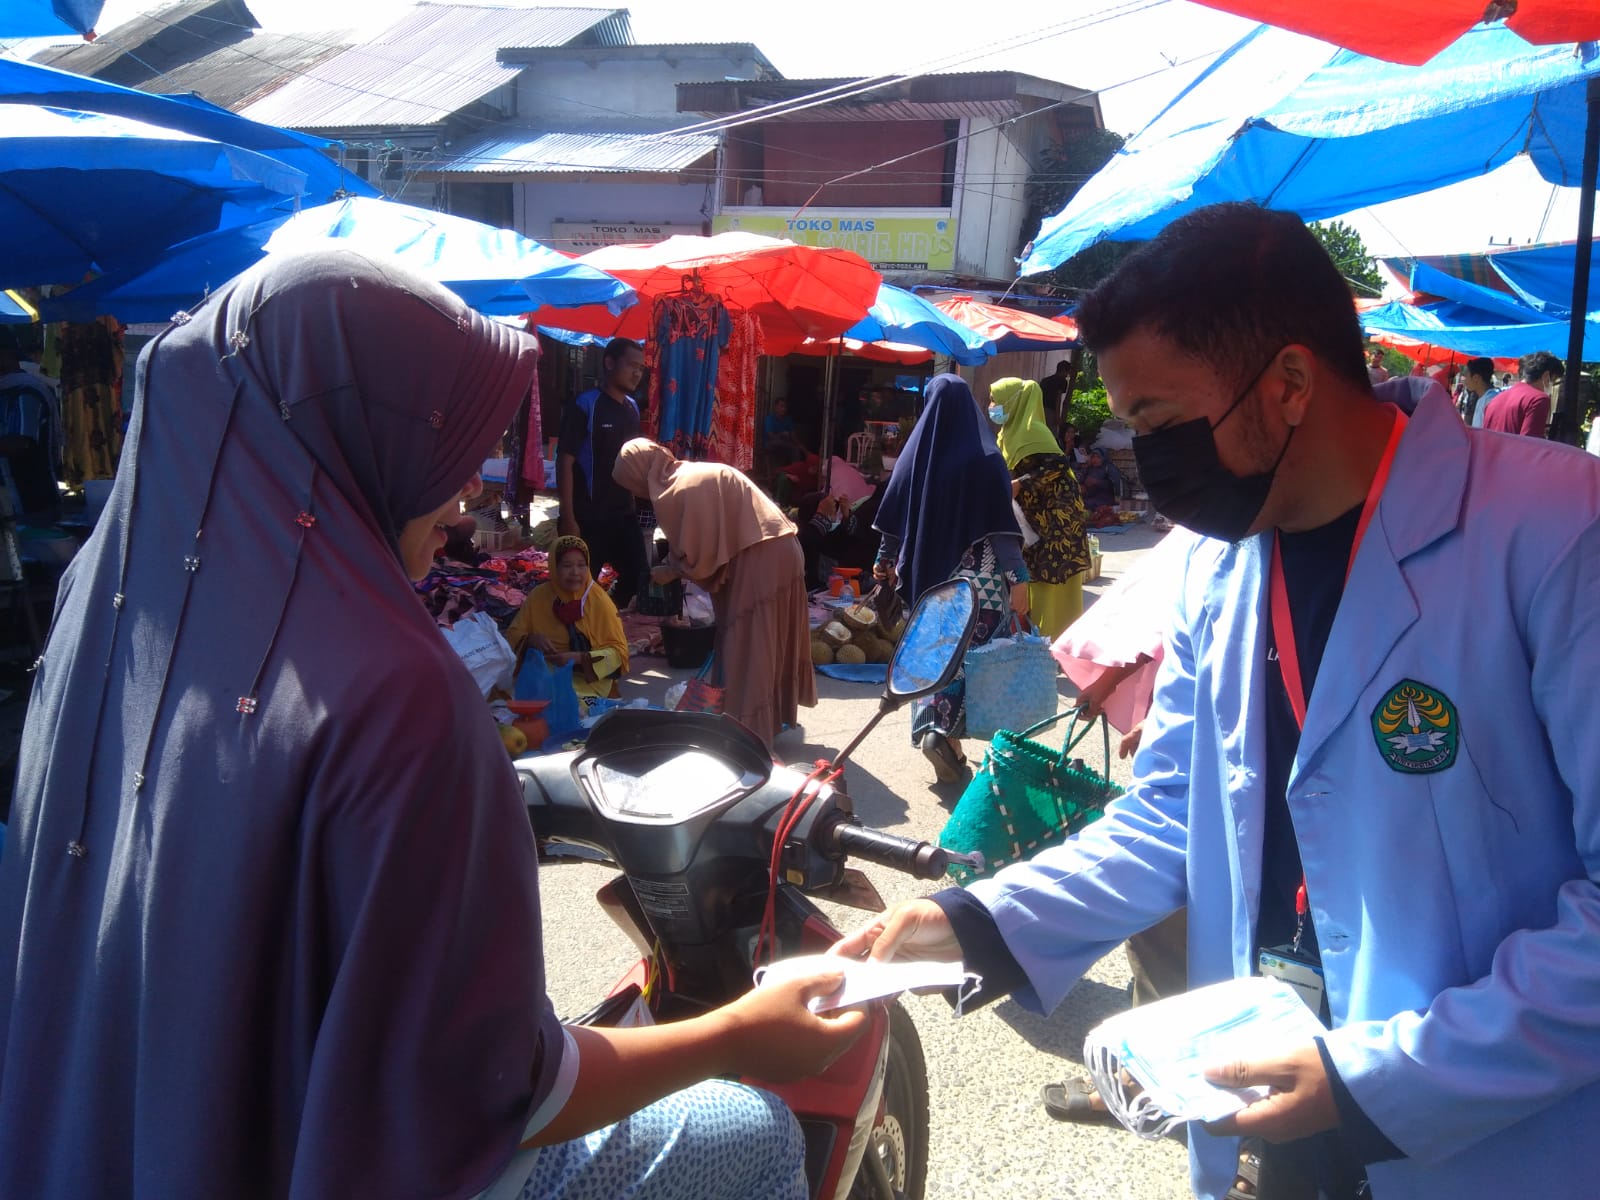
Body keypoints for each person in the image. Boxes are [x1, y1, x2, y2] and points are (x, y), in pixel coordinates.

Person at [0, 251, 864, 1199]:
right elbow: (499, 1096)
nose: (460, 501)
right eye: (442, 448)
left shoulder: (99, 604)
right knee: (750, 1128)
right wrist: (744, 1032)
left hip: (94, 1139)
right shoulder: (394, 694)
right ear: (356, 433)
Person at [834, 202, 1600, 1200]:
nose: (1149, 458)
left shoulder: (1554, 534)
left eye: (1159, 420)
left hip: (1487, 1133)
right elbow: (1171, 815)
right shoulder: (1212, 566)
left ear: (1286, 383)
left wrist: (1377, 1076)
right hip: (1270, 1095)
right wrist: (971, 922)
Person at [872, 374, 1028, 784]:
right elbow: (999, 524)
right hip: (978, 582)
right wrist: (1020, 578)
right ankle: (948, 735)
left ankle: (934, 731)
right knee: (969, 662)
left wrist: (884, 560)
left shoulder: (914, 455)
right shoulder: (985, 458)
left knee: (934, 654)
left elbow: (893, 519)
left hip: (928, 579)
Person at [613, 438, 817, 746]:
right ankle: (756, 725)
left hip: (761, 557)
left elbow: (700, 557)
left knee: (749, 649)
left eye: (629, 483)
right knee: (761, 644)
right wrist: (673, 567)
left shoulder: (675, 490)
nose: (634, 492)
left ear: (638, 473)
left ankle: (750, 741)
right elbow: (705, 541)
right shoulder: (688, 475)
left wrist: (674, 571)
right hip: (778, 549)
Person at [989, 377, 1091, 639]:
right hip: (1036, 521)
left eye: (996, 400)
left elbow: (1056, 466)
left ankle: (1054, 644)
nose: (992, 406)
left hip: (1057, 521)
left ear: (1014, 402)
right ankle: (1039, 643)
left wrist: (1021, 483)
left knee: (1051, 581)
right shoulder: (1009, 433)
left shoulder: (1034, 431)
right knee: (1036, 579)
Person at [557, 337, 648, 608]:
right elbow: (565, 461)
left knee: (639, 577)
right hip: (589, 517)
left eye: (641, 368)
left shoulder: (631, 408)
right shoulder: (585, 405)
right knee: (577, 590)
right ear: (609, 363)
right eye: (631, 365)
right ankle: (576, 636)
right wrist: (568, 516)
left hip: (623, 514)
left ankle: (606, 616)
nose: (636, 373)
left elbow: (633, 460)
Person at [505, 534, 630, 705]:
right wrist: (531, 639)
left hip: (586, 681)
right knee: (504, 697)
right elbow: (513, 634)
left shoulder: (599, 601)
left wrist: (578, 658)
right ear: (554, 567)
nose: (575, 573)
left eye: (581, 565)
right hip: (543, 671)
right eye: (567, 566)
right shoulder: (539, 596)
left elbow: (619, 654)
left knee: (566, 705)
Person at [0, 328, 63, 521]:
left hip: (32, 504)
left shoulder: (26, 392)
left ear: (6, 354)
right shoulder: (6, 388)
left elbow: (18, 443)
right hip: (10, 504)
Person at [1481, 349, 1561, 438]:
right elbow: (1530, 444)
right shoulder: (1538, 399)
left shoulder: (1495, 399)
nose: (1551, 386)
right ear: (1546, 376)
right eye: (1553, 381)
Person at [1459, 355, 1500, 428]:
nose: (1465, 381)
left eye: (1466, 376)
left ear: (1476, 378)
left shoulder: (1490, 400)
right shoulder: (1482, 398)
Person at [764, 396, 805, 466]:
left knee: (796, 449)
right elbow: (770, 436)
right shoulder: (770, 419)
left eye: (785, 407)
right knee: (779, 443)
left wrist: (799, 445)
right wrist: (782, 434)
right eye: (781, 406)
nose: (783, 409)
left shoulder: (788, 419)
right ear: (775, 407)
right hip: (771, 443)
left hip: (785, 444)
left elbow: (793, 435)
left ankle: (793, 471)